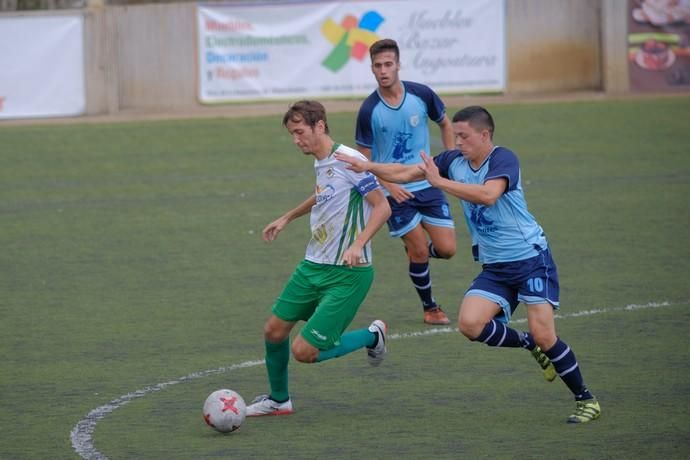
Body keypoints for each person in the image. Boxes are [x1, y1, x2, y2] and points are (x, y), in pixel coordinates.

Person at [336, 105, 601, 424]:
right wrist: (366, 166)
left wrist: (440, 183)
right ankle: (529, 344)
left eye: (463, 136)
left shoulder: (504, 159)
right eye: (456, 135)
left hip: (531, 260)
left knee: (546, 335)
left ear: (484, 134)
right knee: (470, 326)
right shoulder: (452, 161)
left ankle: (586, 399)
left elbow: (488, 195)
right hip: (496, 267)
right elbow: (405, 173)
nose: (457, 142)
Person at [245, 100, 392, 417]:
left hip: (348, 274)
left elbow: (383, 207)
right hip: (313, 266)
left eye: (300, 132)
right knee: (273, 330)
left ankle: (372, 335)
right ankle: (279, 400)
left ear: (320, 126)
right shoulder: (323, 161)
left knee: (304, 352)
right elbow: (325, 192)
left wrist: (359, 243)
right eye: (292, 134)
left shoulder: (350, 160)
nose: (296, 140)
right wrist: (287, 217)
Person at [355, 38, 457, 325]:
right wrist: (388, 186)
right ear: (372, 69)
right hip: (395, 192)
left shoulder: (421, 94)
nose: (384, 70)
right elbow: (364, 161)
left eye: (389, 64)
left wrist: (447, 163)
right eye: (378, 66)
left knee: (448, 250)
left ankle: (415, 253)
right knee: (420, 250)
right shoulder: (368, 111)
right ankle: (430, 308)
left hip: (427, 183)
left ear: (399, 65)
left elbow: (446, 123)